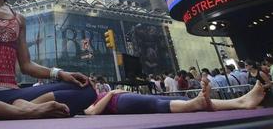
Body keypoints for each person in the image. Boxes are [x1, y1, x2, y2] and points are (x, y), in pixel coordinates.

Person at [82, 79, 265, 115]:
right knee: (155, 103)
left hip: (125, 99)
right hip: (120, 102)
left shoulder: (97, 93)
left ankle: (240, 102)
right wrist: (112, 93)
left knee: (181, 99)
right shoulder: (86, 102)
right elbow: (93, 112)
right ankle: (192, 105)